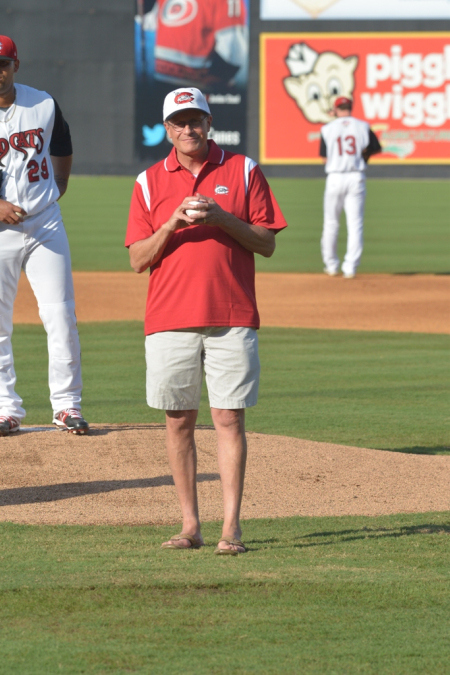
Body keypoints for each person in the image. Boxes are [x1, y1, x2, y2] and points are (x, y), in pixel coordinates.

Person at [125, 86, 287, 554]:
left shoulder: (242, 170)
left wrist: (220, 218)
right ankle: (189, 525)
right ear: (167, 129)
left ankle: (230, 528)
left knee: (228, 419)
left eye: (195, 119)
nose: (188, 129)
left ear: (209, 122)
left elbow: (267, 241)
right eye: (178, 122)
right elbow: (138, 259)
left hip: (232, 313)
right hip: (169, 316)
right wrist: (172, 223)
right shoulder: (149, 181)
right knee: (178, 420)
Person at [0, 35, 89, 436]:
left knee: (61, 315)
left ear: (16, 64)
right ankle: (5, 408)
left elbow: (63, 143)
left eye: (3, 63)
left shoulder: (43, 103)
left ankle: (67, 406)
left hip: (44, 223)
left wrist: (61, 181)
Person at [319, 96, 381, 279]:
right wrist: (364, 156)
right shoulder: (362, 126)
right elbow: (376, 148)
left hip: (335, 177)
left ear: (336, 109)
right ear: (350, 107)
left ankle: (331, 265)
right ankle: (350, 267)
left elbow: (324, 158)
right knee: (355, 224)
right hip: (356, 177)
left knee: (331, 222)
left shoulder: (327, 128)